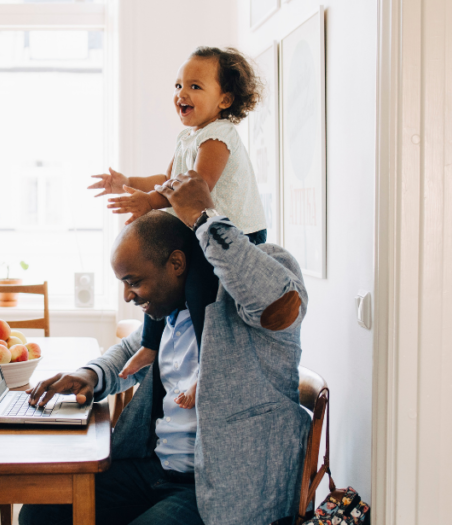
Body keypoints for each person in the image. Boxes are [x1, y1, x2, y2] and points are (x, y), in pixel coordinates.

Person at [20, 171, 310, 525]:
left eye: (134, 282)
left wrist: (204, 218)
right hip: (155, 470)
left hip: (220, 489)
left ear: (176, 264)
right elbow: (129, 351)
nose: (128, 295)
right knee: (40, 513)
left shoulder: (260, 275)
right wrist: (89, 375)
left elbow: (279, 302)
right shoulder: (172, 310)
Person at [88, 46, 269, 407]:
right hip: (199, 228)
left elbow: (195, 188)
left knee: (199, 290)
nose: (181, 94)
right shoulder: (188, 137)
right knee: (162, 280)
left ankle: (208, 370)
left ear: (225, 99)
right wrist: (129, 182)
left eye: (195, 86)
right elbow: (168, 178)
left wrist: (150, 201)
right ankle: (150, 346)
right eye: (178, 85)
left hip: (234, 234)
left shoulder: (219, 136)